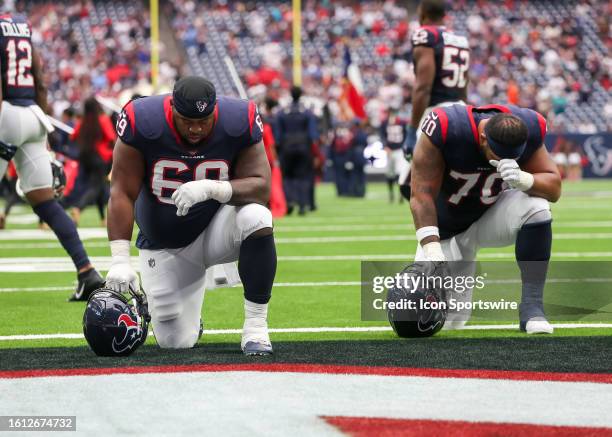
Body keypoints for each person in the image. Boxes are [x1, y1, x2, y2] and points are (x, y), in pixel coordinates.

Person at [106, 76, 277, 355]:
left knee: (257, 217)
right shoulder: (143, 120)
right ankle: (191, 317)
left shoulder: (237, 119)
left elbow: (261, 186)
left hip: (215, 230)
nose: (196, 128)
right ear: (172, 107)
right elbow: (122, 192)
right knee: (174, 342)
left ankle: (256, 328)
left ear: (215, 111)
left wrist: (213, 188)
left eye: (204, 120)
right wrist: (119, 260)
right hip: (166, 244)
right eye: (187, 120)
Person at [409, 103, 561, 334]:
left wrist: (525, 179)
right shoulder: (448, 127)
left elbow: (554, 188)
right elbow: (421, 194)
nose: (503, 161)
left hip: (489, 216)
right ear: (482, 139)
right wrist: (432, 251)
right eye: (498, 156)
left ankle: (532, 308)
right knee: (426, 320)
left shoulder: (529, 126)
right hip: (447, 231)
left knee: (537, 207)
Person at [0, 12, 104, 300]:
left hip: (6, 115)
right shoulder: (20, 24)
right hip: (32, 114)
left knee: (45, 202)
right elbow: (38, 74)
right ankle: (87, 271)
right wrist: (42, 126)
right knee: (46, 203)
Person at [400, 0, 470, 189]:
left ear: (422, 13)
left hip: (436, 113)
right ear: (444, 15)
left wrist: (411, 129)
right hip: (461, 110)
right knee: (449, 176)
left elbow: (423, 87)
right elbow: (464, 85)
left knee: (409, 182)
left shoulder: (426, 35)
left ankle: (437, 219)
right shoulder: (460, 39)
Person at [70, 97, 115, 226]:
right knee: (96, 187)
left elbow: (72, 136)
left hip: (86, 158)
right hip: (101, 158)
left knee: (99, 187)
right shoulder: (102, 119)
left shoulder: (83, 121)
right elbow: (112, 138)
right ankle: (78, 208)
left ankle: (103, 219)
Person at [274, 86, 319, 215]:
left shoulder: (282, 112)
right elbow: (313, 135)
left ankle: (289, 201)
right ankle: (303, 205)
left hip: (286, 147)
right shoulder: (307, 112)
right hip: (304, 147)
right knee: (303, 177)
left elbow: (277, 136)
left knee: (287, 177)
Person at [380, 108, 409, 202]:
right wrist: (385, 146)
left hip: (399, 150)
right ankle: (391, 194)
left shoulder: (402, 123)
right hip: (389, 151)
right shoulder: (385, 123)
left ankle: (400, 195)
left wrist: (403, 147)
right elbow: (382, 135)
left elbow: (406, 135)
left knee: (399, 172)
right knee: (389, 173)